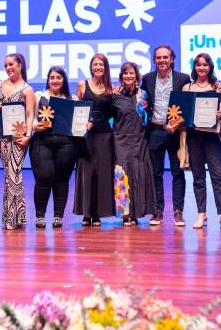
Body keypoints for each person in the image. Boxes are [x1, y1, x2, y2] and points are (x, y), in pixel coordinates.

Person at [140, 45, 191, 226]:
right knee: (156, 173)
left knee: (177, 172)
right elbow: (141, 100)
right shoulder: (146, 79)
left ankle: (178, 211)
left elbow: (189, 104)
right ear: (154, 60)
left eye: (165, 57)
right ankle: (157, 211)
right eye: (158, 57)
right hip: (154, 130)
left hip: (175, 132)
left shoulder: (183, 79)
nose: (162, 60)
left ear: (172, 59)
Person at [181, 53, 221, 231]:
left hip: (213, 137)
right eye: (198, 65)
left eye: (205, 65)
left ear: (210, 67)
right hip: (194, 137)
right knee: (198, 177)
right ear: (194, 68)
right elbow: (182, 112)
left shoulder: (218, 88)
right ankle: (201, 213)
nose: (201, 68)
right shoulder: (187, 88)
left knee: (218, 176)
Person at [30, 66, 79, 228]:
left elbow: (78, 123)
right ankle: (40, 217)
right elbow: (29, 117)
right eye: (52, 77)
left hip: (66, 144)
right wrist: (34, 126)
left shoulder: (72, 99)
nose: (55, 80)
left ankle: (58, 216)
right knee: (43, 178)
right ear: (48, 80)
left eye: (58, 77)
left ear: (64, 80)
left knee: (61, 180)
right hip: (42, 141)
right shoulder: (39, 97)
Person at [0, 53, 36, 230]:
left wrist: (28, 135)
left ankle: (12, 218)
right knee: (8, 176)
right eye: (6, 65)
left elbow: (29, 114)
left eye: (11, 64)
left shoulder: (27, 90)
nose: (8, 68)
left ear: (20, 65)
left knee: (15, 174)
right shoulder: (0, 86)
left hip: (19, 135)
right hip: (2, 135)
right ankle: (15, 217)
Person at [111, 62, 156, 225]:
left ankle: (137, 213)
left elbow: (147, 117)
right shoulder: (115, 95)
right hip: (120, 140)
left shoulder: (143, 95)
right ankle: (124, 214)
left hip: (139, 139)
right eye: (125, 73)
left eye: (131, 73)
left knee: (138, 174)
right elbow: (108, 116)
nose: (128, 76)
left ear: (137, 76)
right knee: (122, 175)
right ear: (121, 76)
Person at [74, 53, 115, 226]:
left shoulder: (112, 88)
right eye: (95, 64)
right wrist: (84, 124)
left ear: (105, 68)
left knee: (103, 173)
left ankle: (98, 213)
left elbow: (114, 112)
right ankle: (86, 213)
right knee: (86, 171)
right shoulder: (82, 85)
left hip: (105, 135)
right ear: (91, 66)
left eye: (101, 65)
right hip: (87, 135)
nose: (98, 67)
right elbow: (78, 110)